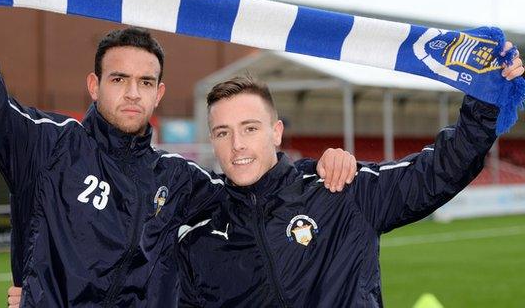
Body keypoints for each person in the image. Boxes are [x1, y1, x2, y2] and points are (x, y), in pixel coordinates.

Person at [0, 6, 356, 307]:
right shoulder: (48, 146)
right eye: (119, 79)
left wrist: (320, 166)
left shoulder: (176, 178)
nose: (132, 92)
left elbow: (255, 185)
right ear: (94, 85)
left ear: (159, 93)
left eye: (145, 82)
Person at [175, 58, 522, 307]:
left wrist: (484, 99)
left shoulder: (339, 189)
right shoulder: (198, 237)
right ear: (212, 140)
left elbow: (438, 171)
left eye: (250, 128)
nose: (237, 145)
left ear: (276, 132)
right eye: (223, 133)